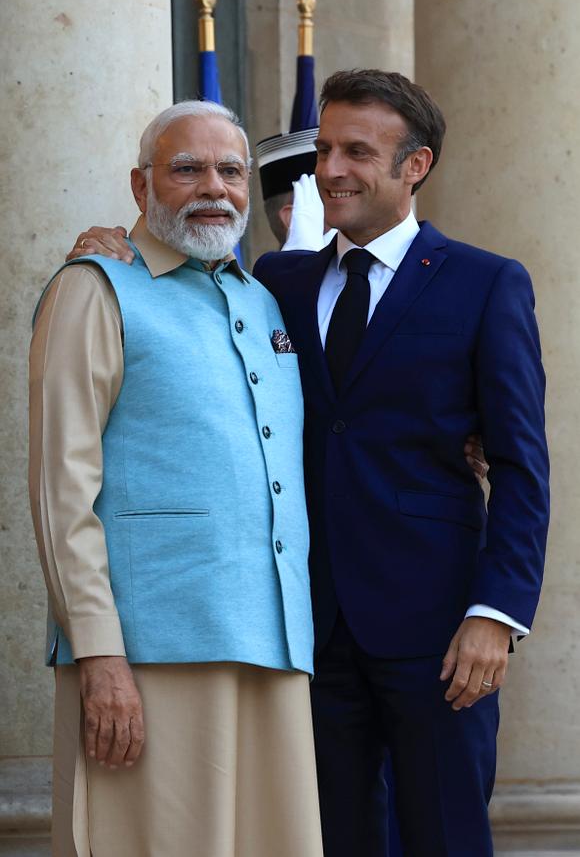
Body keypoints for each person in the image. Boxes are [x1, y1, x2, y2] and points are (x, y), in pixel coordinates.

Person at [252, 69, 550, 856]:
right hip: (307, 631)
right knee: (328, 840)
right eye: (324, 149)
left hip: (441, 630)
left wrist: (496, 613)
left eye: (356, 151)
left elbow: (521, 463)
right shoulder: (274, 281)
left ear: (414, 166)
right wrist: (111, 243)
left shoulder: (485, 284)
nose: (329, 170)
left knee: (445, 837)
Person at [29, 100, 324, 857]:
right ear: (141, 186)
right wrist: (98, 655)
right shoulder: (95, 288)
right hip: (147, 658)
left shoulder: (264, 302)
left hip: (275, 651)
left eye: (231, 171)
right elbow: (62, 490)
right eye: (187, 168)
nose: (214, 189)